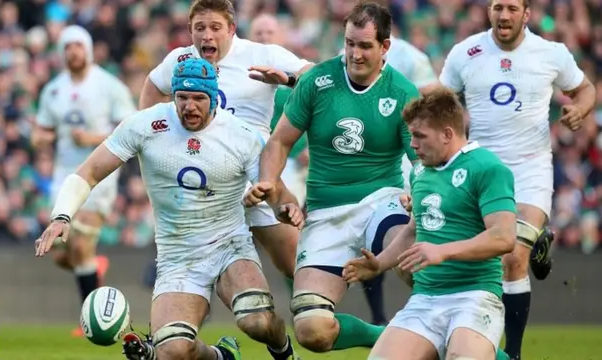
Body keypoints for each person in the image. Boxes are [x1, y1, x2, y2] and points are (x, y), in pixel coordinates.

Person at [34, 58, 302, 360]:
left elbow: (275, 189)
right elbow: (89, 172)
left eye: (198, 98)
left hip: (229, 246)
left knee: (258, 322)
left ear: (214, 98)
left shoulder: (240, 135)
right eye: (182, 98)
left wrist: (286, 207)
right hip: (177, 257)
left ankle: (285, 352)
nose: (189, 106)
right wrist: (62, 214)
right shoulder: (146, 125)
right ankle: (223, 356)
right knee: (172, 351)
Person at [244, 2, 419, 354]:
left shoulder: (402, 93)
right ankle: (387, 336)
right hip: (325, 212)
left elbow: (424, 160)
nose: (354, 54)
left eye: (365, 45)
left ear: (385, 47)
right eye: (350, 43)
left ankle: (473, 345)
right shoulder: (317, 82)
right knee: (312, 329)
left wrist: (419, 191)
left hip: (380, 202)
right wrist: (268, 181)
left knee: (417, 264)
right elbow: (280, 141)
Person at [437, 0, 596, 358]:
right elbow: (441, 102)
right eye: (497, 7)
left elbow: (586, 90)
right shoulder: (466, 53)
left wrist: (579, 110)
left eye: (511, 7)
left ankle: (515, 353)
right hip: (478, 171)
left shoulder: (551, 53)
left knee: (511, 255)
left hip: (529, 169)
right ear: (488, 11)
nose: (503, 15)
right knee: (479, 261)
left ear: (526, 13)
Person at [139, 0, 314, 288]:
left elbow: (317, 75)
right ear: (190, 30)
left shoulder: (261, 54)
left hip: (253, 177)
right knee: (192, 274)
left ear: (232, 29)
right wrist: (152, 136)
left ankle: (319, 319)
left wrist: (288, 79)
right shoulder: (180, 61)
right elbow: (153, 85)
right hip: (201, 182)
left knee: (296, 265)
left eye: (215, 27)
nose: (207, 35)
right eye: (200, 28)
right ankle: (181, 325)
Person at [343, 87, 517, 360]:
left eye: (419, 136)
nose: (412, 144)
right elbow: (413, 229)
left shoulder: (487, 168)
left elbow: (504, 237)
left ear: (448, 134)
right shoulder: (420, 172)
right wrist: (379, 263)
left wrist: (443, 250)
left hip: (474, 297)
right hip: (424, 300)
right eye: (412, 135)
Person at [30, 25, 136, 337]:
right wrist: (40, 137)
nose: (73, 52)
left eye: (78, 46)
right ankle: (93, 265)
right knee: (61, 250)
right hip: (64, 174)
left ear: (87, 49)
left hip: (100, 170)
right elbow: (45, 129)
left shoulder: (108, 85)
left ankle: (88, 319)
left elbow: (129, 125)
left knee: (80, 241)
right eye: (68, 47)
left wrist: (91, 137)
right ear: (62, 52)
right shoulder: (53, 90)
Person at [338, 3, 439, 323]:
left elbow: (429, 103)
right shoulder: (348, 48)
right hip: (370, 153)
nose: (357, 52)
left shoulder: (411, 59)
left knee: (409, 240)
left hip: (409, 156)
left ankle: (436, 309)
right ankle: (380, 316)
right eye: (352, 44)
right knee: (377, 239)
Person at [249, 13, 309, 208]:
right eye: (258, 33)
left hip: (293, 159)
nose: (264, 37)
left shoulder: (298, 69)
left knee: (285, 212)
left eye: (270, 32)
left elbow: (320, 107)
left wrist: (312, 150)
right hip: (252, 157)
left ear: (282, 37)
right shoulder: (242, 72)